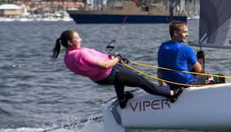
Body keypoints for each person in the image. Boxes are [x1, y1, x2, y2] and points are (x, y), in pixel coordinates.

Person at [52, 30, 181, 108]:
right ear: (70, 42)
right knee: (141, 81)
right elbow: (105, 65)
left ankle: (122, 99)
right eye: (77, 38)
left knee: (121, 78)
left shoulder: (67, 58)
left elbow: (90, 66)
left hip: (100, 79)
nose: (80, 39)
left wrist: (111, 58)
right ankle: (170, 94)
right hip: (110, 72)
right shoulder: (80, 53)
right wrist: (117, 58)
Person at [157, 21, 202, 94]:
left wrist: (161, 86)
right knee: (217, 78)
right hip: (187, 84)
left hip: (170, 85)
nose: (187, 35)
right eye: (185, 32)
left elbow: (160, 69)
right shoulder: (186, 49)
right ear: (175, 33)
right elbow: (199, 70)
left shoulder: (162, 46)